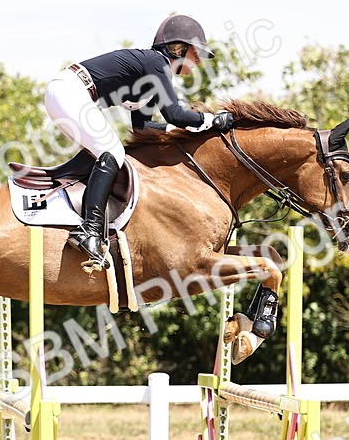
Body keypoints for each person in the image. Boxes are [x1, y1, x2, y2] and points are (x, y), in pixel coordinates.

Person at [43, 14, 235, 266]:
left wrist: (185, 131)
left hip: (70, 94)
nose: (198, 62)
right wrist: (211, 121)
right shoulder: (157, 63)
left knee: (104, 152)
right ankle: (88, 231)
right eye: (195, 54)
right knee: (111, 150)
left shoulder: (153, 74)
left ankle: (60, 196)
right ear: (178, 48)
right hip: (71, 91)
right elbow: (174, 113)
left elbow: (142, 126)